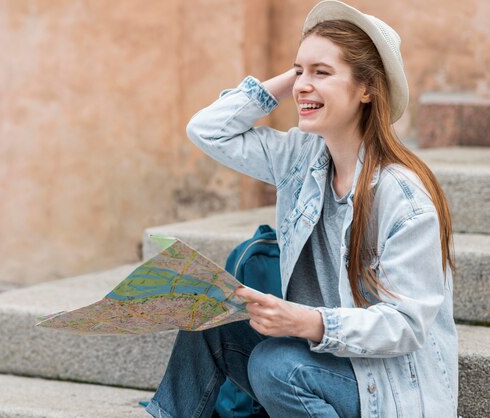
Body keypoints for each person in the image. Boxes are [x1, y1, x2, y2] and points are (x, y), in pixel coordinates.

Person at [145, 1, 458, 417]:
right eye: (299, 71)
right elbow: (207, 131)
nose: (301, 86)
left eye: (322, 73)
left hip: (390, 386)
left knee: (276, 366)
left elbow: (406, 325)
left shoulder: (403, 196)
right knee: (207, 317)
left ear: (367, 89)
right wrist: (297, 77)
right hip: (329, 356)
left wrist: (308, 322)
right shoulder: (302, 157)